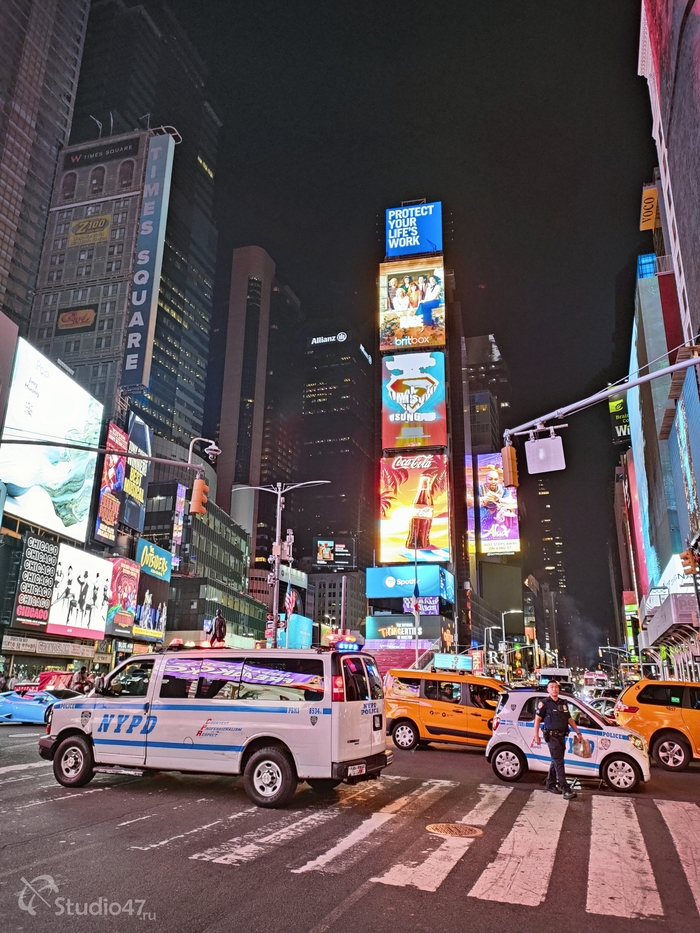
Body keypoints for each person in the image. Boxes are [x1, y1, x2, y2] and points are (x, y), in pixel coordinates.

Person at [532, 680, 583, 800]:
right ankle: (565, 789)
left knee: (556, 760)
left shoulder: (563, 703)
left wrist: (578, 732)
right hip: (552, 737)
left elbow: (569, 719)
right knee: (559, 762)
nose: (554, 689)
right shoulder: (544, 703)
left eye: (556, 687)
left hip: (561, 736)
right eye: (552, 687)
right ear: (548, 690)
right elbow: (537, 719)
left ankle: (550, 783)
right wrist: (536, 736)